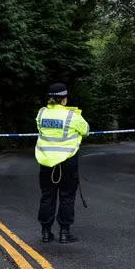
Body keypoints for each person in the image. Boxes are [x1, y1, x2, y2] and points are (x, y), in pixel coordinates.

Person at [35, 82, 89, 243]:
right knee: (66, 197)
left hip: (46, 162)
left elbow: (41, 129)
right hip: (67, 162)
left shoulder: (41, 113)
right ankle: (64, 233)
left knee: (47, 196)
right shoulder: (73, 116)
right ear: (64, 99)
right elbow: (86, 130)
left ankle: (46, 232)